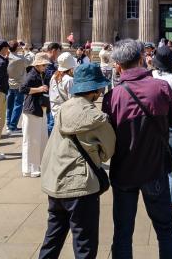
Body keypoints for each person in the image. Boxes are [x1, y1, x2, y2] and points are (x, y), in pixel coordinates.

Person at [102, 39, 172, 257]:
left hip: (124, 172)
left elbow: (108, 138)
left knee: (123, 233)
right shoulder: (161, 87)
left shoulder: (112, 96)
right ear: (141, 59)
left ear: (117, 65)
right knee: (165, 230)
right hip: (155, 170)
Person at [38, 63, 116, 259]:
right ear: (96, 89)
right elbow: (109, 150)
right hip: (81, 187)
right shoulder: (97, 118)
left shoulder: (63, 109)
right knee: (84, 245)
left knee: (52, 239)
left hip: (55, 182)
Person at [151, 45, 172, 204]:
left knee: (153, 158)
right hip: (171, 125)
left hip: (152, 125)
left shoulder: (150, 77)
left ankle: (154, 191)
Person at [20, 52, 52, 177]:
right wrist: (39, 89)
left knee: (39, 138)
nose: (45, 67)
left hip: (38, 109)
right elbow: (22, 89)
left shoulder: (39, 73)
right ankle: (30, 168)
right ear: (38, 65)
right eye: (43, 65)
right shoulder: (32, 74)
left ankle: (36, 165)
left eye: (45, 65)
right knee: (32, 140)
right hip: (32, 110)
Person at [6, 43, 30, 137]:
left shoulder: (7, 57)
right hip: (19, 84)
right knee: (18, 105)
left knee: (10, 105)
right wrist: (26, 50)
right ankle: (13, 126)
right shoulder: (20, 59)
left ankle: (8, 124)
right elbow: (29, 61)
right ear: (16, 48)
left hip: (10, 83)